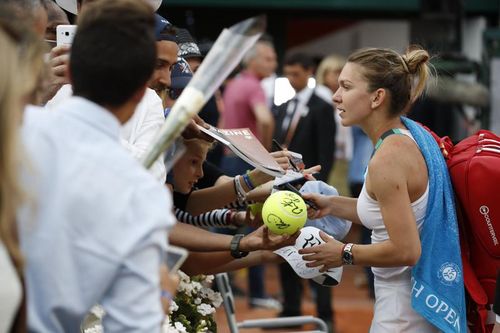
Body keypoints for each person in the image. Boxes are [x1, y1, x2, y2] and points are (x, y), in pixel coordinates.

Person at [18, 1, 176, 331]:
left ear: (73, 71)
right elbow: (135, 326)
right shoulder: (143, 195)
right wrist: (159, 299)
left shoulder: (16, 131)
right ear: (140, 89)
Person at [300, 46, 466, 332]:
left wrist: (344, 252)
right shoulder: (407, 137)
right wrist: (331, 204)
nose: (336, 96)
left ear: (377, 97)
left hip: (405, 313)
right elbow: (387, 210)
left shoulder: (388, 159)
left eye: (346, 87)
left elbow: (406, 249)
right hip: (410, 306)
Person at [273, 52, 336, 331]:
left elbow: (327, 153)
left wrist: (320, 187)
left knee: (317, 248)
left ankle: (325, 314)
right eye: (287, 73)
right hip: (283, 187)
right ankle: (290, 309)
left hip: (312, 190)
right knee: (285, 244)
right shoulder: (283, 106)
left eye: (296, 73)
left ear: (309, 72)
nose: (291, 79)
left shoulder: (322, 108)